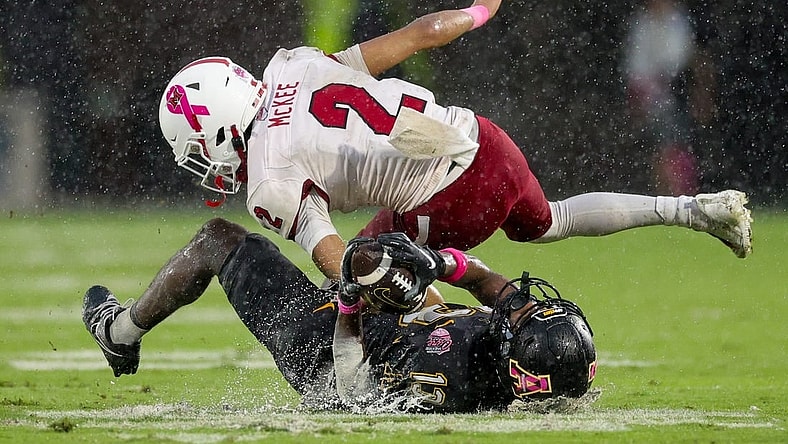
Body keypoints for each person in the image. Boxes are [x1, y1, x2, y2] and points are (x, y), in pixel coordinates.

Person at [157, 0, 752, 296]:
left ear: (215, 127)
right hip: (481, 140)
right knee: (548, 222)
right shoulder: (295, 63)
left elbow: (330, 252)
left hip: (448, 196)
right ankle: (694, 209)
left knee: (364, 289)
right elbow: (421, 35)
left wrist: (360, 298)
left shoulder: (267, 175)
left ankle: (492, 332)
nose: (206, 165)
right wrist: (478, 9)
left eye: (196, 149)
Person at [82, 218, 596, 413]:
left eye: (522, 320)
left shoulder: (452, 376)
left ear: (521, 370)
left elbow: (350, 388)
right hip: (400, 320)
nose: (518, 310)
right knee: (377, 256)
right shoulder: (519, 352)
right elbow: (491, 285)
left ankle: (118, 331)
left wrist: (351, 301)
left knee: (220, 240)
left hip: (323, 348)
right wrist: (437, 263)